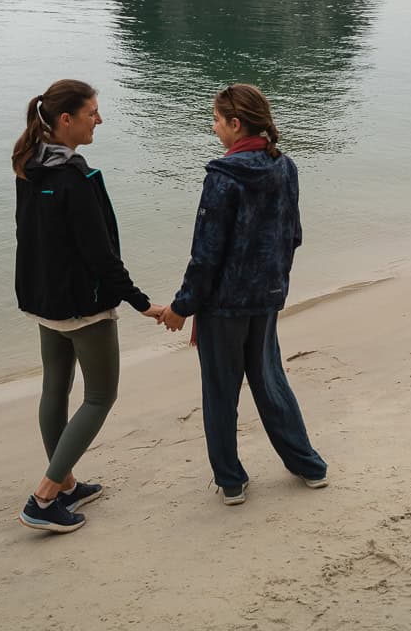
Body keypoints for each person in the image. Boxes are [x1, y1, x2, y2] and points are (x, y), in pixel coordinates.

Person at [159, 83, 327, 505]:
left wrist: (182, 307)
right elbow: (293, 235)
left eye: (217, 120)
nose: (213, 127)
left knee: (220, 391)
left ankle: (231, 482)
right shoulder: (285, 167)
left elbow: (205, 254)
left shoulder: (222, 176)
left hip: (223, 305)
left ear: (236, 124)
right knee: (270, 381)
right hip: (267, 296)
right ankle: (309, 466)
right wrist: (274, 282)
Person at [12, 79, 162, 532]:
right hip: (82, 306)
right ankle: (44, 498)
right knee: (100, 395)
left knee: (54, 388)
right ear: (66, 120)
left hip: (43, 301)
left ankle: (68, 483)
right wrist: (143, 304)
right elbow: (101, 256)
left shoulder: (28, 166)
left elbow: (30, 238)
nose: (99, 119)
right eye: (92, 112)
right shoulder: (76, 179)